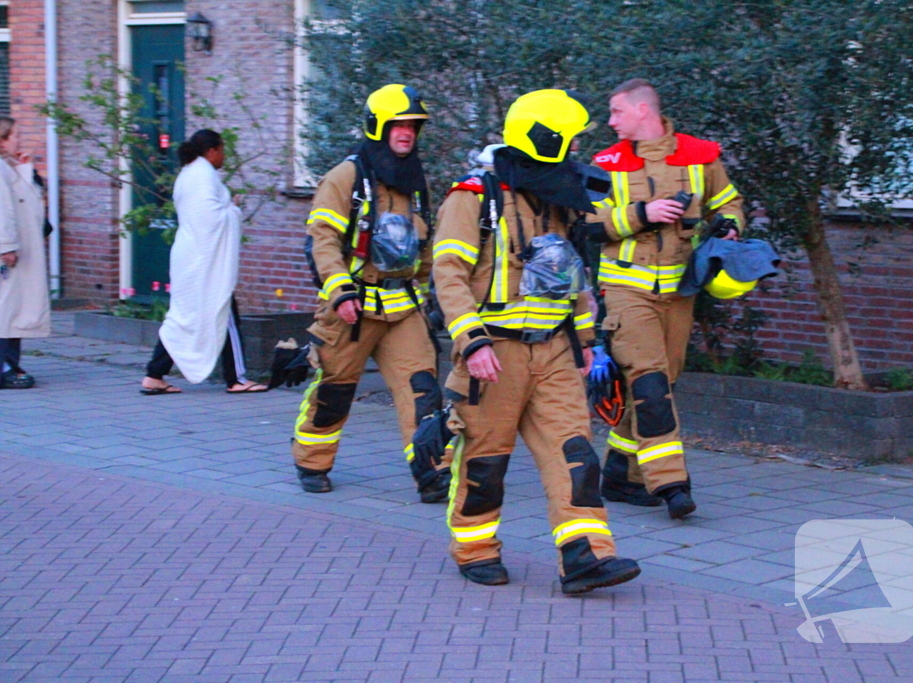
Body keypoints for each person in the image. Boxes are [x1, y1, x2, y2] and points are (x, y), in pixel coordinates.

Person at [433, 89, 641, 594]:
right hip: (494, 354)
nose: (572, 153)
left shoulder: (559, 201)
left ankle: (586, 557)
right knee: (486, 459)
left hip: (554, 350)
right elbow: (448, 273)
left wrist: (589, 342)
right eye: (566, 142)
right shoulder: (472, 197)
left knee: (574, 453)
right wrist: (471, 342)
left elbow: (574, 279)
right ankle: (476, 548)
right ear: (544, 139)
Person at [587, 79, 745, 520]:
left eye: (616, 112)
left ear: (643, 110)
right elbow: (586, 225)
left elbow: (730, 204)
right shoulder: (607, 163)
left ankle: (621, 475)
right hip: (625, 292)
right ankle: (671, 485)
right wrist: (643, 214)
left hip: (679, 293)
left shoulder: (701, 156)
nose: (611, 121)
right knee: (651, 383)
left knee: (659, 386)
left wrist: (730, 227)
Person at [291, 84, 447, 503]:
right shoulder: (346, 177)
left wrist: (431, 294)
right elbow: (322, 239)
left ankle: (433, 471)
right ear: (377, 126)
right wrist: (340, 291)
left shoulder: (415, 182)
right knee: (335, 389)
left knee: (422, 390)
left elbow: (425, 243)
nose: (407, 132)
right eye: (398, 124)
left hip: (402, 308)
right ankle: (312, 461)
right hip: (352, 309)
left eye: (413, 126)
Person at [140, 129, 267, 395]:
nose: (224, 157)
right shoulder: (203, 177)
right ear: (211, 151)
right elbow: (211, 221)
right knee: (224, 313)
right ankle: (237, 379)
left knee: (185, 317)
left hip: (190, 257)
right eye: (222, 151)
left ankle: (154, 374)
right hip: (204, 261)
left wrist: (227, 208)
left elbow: (203, 215)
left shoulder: (189, 174)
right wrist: (233, 209)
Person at [0, 117, 49, 389]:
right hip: (9, 252)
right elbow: (2, 210)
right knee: (6, 309)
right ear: (2, 139)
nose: (19, 139)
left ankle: (10, 364)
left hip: (18, 247)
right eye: (15, 135)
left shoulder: (8, 166)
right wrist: (5, 247)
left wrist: (25, 168)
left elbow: (31, 198)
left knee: (13, 308)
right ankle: (5, 367)